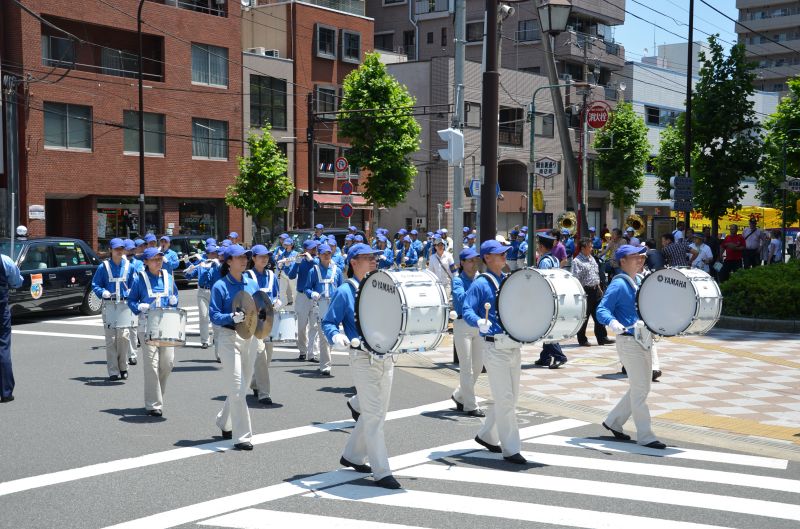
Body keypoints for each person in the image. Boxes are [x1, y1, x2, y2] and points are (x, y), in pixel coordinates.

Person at [322, 243, 402, 489]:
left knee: (376, 413)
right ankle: (382, 471)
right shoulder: (345, 290)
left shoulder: (380, 286)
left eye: (374, 257)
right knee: (375, 416)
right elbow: (328, 322)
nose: (374, 261)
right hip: (362, 358)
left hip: (385, 356)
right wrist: (336, 336)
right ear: (354, 262)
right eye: (368, 258)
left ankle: (353, 455)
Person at [596, 244, 667, 449]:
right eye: (635, 257)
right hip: (628, 341)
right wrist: (612, 322)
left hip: (642, 339)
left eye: (642, 257)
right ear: (622, 261)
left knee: (641, 387)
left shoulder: (638, 280)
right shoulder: (619, 284)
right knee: (640, 389)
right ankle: (645, 435)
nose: (640, 260)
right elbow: (602, 309)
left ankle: (614, 421)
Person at [462, 240, 526, 464]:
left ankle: (487, 435)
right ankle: (511, 449)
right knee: (505, 398)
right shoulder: (480, 283)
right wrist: (478, 321)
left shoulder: (506, 280)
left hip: (512, 344)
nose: (504, 256)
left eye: (504, 253)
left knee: (510, 398)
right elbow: (467, 308)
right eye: (499, 254)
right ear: (487, 258)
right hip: (494, 346)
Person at [209, 244, 258, 449]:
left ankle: (224, 421)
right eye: (239, 257)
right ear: (229, 261)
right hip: (229, 337)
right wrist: (231, 316)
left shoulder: (251, 283)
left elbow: (258, 308)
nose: (244, 260)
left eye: (246, 257)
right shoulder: (220, 286)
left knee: (242, 387)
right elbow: (214, 315)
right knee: (237, 388)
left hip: (250, 338)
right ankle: (243, 437)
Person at [127, 247, 180, 417]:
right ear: (146, 262)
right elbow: (131, 301)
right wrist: (138, 307)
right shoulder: (140, 279)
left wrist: (174, 301)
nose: (158, 262)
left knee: (168, 363)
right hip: (147, 326)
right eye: (154, 259)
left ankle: (158, 396)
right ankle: (153, 404)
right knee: (151, 365)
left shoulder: (168, 277)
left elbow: (175, 297)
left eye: (160, 259)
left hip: (167, 325)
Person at [92, 238, 136, 381]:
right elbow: (95, 284)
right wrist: (102, 292)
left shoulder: (129, 266)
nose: (119, 251)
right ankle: (113, 371)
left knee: (124, 337)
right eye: (116, 249)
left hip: (124, 305)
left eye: (121, 248)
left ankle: (123, 366)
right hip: (109, 305)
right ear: (110, 250)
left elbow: (135, 284)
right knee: (111, 339)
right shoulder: (103, 267)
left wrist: (131, 291)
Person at [245, 245, 282, 405]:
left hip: (269, 320)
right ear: (253, 258)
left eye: (266, 256)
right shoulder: (248, 275)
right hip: (254, 321)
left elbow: (277, 295)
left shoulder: (272, 275)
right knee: (260, 354)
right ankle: (264, 393)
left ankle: (255, 383)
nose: (265, 259)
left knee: (267, 357)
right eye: (261, 256)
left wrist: (278, 302)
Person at [450, 247, 485, 417]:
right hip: (463, 324)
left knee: (478, 366)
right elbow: (462, 300)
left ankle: (459, 395)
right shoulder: (457, 280)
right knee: (466, 367)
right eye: (470, 260)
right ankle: (470, 405)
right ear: (462, 263)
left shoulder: (479, 278)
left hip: (478, 324)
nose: (474, 263)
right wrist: (478, 287)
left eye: (475, 260)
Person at [305, 243, 343, 375]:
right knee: (323, 336)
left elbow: (342, 288)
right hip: (320, 305)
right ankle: (325, 366)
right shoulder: (313, 270)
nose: (327, 256)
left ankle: (326, 360)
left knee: (331, 334)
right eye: (323, 254)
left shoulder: (337, 270)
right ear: (319, 255)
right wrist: (312, 294)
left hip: (334, 305)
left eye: (328, 253)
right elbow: (307, 288)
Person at [534, 235, 568, 369]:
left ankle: (559, 356)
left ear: (542, 247)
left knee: (546, 329)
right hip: (554, 296)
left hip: (546, 297)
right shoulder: (554, 259)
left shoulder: (544, 261)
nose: (538, 247)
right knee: (548, 326)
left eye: (538, 245)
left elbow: (543, 280)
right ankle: (545, 357)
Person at [572, 238, 612, 347]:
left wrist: (599, 288)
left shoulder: (592, 258)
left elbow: (595, 274)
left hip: (596, 290)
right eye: (590, 247)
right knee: (585, 316)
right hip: (585, 291)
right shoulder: (577, 261)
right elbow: (576, 278)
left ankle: (602, 337)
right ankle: (582, 339)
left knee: (599, 314)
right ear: (583, 248)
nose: (592, 248)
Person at [184, 244, 220, 355]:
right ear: (207, 254)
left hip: (214, 292)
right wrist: (188, 266)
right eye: (211, 253)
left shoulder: (217, 264)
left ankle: (217, 339)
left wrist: (213, 263)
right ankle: (205, 341)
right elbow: (189, 276)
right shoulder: (201, 264)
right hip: (202, 291)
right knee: (203, 316)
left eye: (215, 253)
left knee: (215, 318)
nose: (214, 255)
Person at [287, 239, 319, 361]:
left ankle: (312, 353)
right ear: (305, 249)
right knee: (301, 326)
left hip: (315, 296)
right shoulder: (301, 260)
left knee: (314, 326)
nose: (314, 250)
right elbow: (291, 276)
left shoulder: (316, 261)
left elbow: (319, 268)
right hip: (302, 296)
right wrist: (296, 263)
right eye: (312, 248)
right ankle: (302, 351)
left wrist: (312, 260)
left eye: (315, 248)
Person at [0, 250, 23, 403]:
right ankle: (6, 392)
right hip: (1, 310)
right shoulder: (5, 260)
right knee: (3, 348)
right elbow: (17, 281)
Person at [123, 239, 142, 366]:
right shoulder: (120, 263)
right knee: (122, 330)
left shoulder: (138, 263)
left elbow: (138, 276)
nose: (131, 252)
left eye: (132, 249)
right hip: (121, 300)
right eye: (128, 250)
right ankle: (123, 355)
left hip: (134, 299)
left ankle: (133, 355)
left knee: (133, 329)